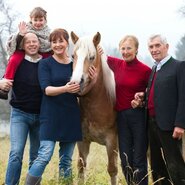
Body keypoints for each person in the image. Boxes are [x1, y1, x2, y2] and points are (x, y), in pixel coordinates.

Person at [24, 28, 83, 185]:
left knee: (66, 160)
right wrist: (65, 88)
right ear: (50, 44)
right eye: (54, 42)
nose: (57, 45)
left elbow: (81, 91)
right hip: (50, 115)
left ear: (67, 42)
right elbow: (46, 89)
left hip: (70, 116)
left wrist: (94, 78)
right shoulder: (45, 63)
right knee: (44, 155)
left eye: (61, 41)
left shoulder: (74, 64)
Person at [131, 34, 185, 185]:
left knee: (175, 164)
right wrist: (143, 98)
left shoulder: (179, 66)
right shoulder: (155, 68)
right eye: (151, 47)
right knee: (156, 165)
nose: (154, 50)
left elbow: (183, 96)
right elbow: (158, 93)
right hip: (152, 124)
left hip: (170, 125)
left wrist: (180, 124)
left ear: (166, 47)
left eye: (157, 45)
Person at [98, 35, 151, 185]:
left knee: (139, 158)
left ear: (136, 49)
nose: (126, 51)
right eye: (123, 48)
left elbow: (152, 91)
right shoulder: (117, 64)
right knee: (125, 157)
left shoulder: (145, 70)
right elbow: (99, 55)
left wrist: (142, 99)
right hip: (121, 117)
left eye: (129, 48)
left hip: (138, 117)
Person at [5, 32, 43, 185]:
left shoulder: (45, 61)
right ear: (23, 45)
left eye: (35, 41)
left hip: (41, 115)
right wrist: (2, 82)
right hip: (20, 114)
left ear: (39, 44)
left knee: (36, 155)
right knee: (16, 153)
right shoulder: (17, 59)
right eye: (28, 42)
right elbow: (5, 78)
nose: (32, 44)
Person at [0, 7, 51, 100]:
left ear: (45, 20)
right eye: (35, 20)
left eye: (41, 20)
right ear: (31, 19)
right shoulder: (26, 28)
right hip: (23, 51)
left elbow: (49, 45)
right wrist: (21, 34)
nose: (38, 23)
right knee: (14, 59)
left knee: (51, 59)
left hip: (42, 52)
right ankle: (6, 82)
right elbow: (16, 42)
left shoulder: (48, 32)